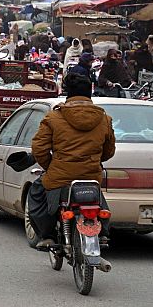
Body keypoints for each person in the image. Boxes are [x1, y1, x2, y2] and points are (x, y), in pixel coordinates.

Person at [28, 73, 115, 248]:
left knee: (36, 194)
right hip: (91, 177)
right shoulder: (104, 119)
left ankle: (48, 236)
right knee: (100, 201)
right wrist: (94, 161)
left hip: (59, 178)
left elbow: (39, 148)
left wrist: (50, 166)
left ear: (67, 94)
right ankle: (103, 233)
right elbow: (108, 151)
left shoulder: (53, 118)